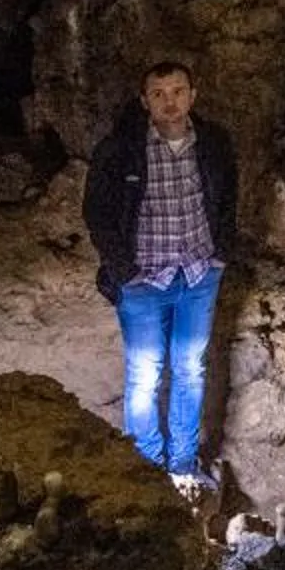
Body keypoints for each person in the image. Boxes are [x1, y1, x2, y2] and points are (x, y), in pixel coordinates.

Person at [82, 62, 240, 495]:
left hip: (198, 273)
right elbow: (97, 212)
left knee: (190, 369)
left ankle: (183, 463)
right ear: (144, 101)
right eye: (158, 93)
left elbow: (228, 197)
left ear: (193, 95)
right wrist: (124, 270)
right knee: (145, 374)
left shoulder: (212, 144)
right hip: (144, 279)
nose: (169, 102)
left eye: (177, 91)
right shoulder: (122, 150)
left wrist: (220, 254)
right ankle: (147, 469)